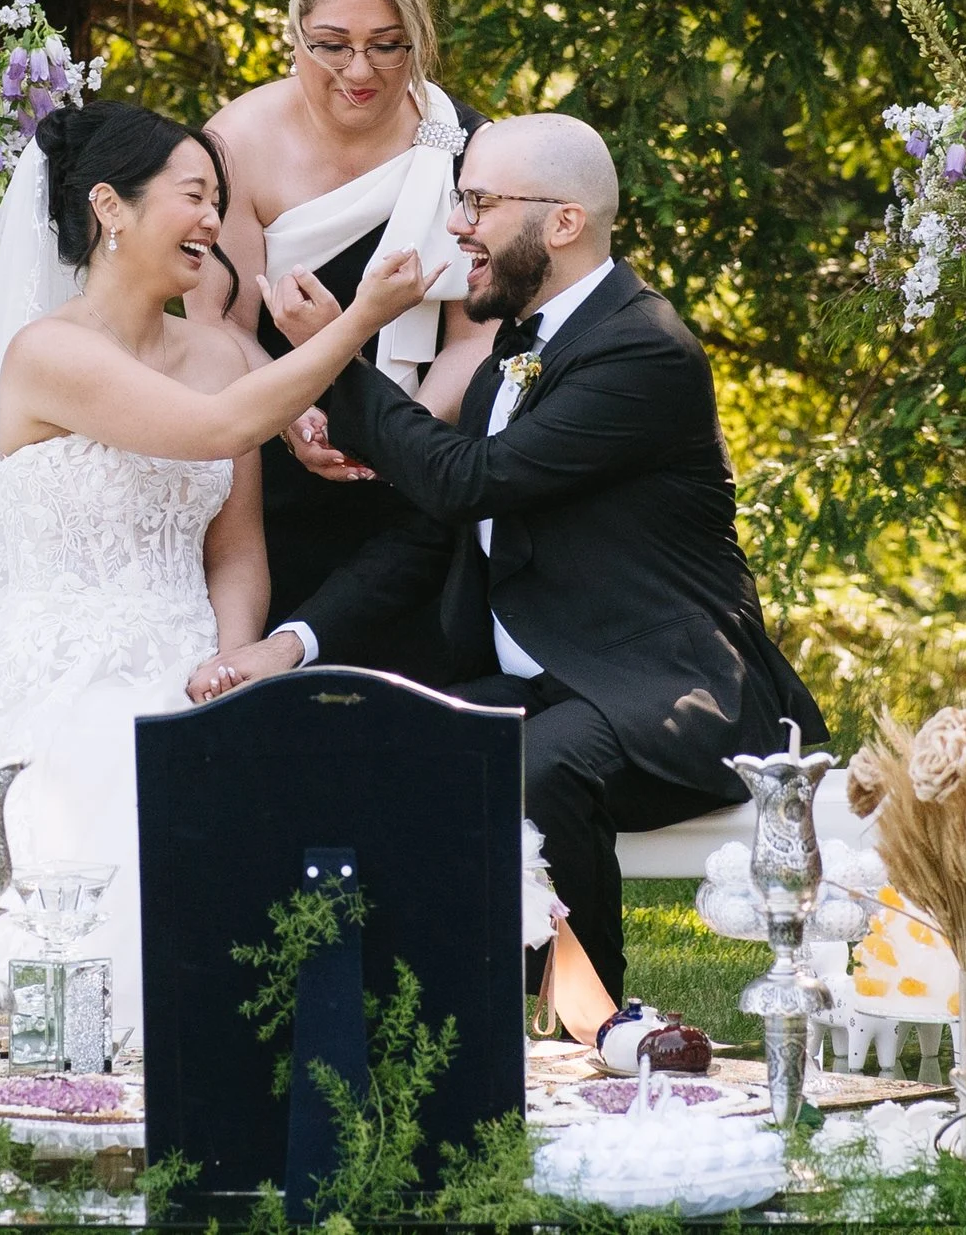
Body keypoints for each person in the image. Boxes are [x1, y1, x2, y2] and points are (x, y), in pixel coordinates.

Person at [0, 101, 431, 1046]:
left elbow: (235, 551)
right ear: (109, 206)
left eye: (220, 200)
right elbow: (220, 429)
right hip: (57, 678)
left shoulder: (223, 351)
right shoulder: (49, 354)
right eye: (193, 196)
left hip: (191, 668)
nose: (213, 223)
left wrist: (233, 675)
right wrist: (359, 323)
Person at [193, 114, 827, 999]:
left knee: (534, 763)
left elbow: (468, 479)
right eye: (460, 200)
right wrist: (290, 641)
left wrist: (334, 355)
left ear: (562, 223)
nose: (457, 224)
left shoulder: (642, 347)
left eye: (479, 202)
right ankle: (396, 1012)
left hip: (670, 689)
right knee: (379, 736)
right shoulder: (514, 352)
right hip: (556, 686)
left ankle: (586, 1030)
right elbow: (428, 532)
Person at [188, 0, 495, 682]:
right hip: (276, 473)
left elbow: (476, 336)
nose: (360, 71)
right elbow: (216, 326)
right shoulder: (238, 145)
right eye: (332, 45)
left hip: (422, 482)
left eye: (389, 47)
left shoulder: (462, 145)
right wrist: (298, 418)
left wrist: (396, 438)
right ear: (293, 33)